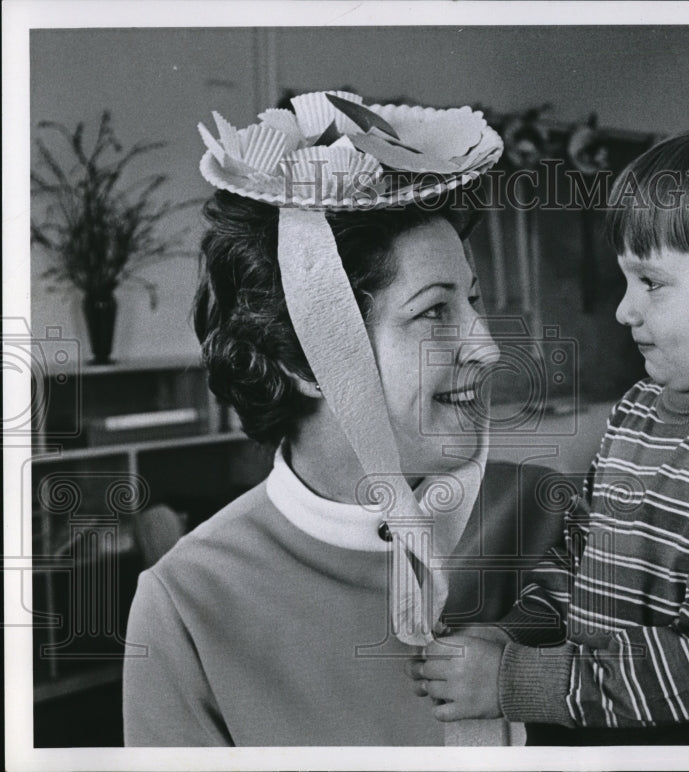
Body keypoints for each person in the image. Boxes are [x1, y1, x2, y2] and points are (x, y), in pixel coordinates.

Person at [122, 92, 564, 746]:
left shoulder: (555, 518)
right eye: (434, 312)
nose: (488, 346)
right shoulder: (186, 604)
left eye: (470, 301)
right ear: (307, 359)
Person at [407, 117, 689, 746]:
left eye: (651, 282)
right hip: (606, 719)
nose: (624, 309)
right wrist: (517, 632)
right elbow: (578, 559)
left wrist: (517, 680)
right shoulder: (642, 409)